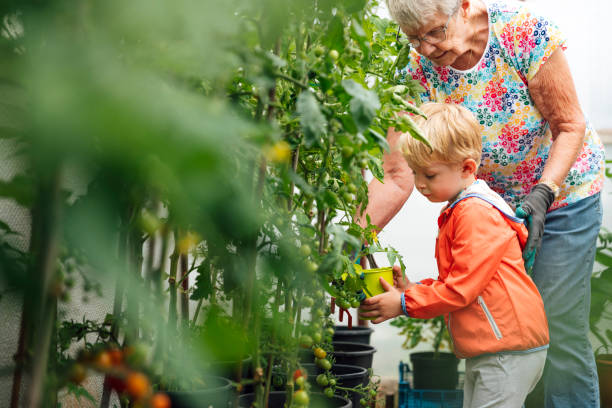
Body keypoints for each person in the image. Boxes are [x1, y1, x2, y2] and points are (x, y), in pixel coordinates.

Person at [360, 0, 604, 406]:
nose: (426, 48)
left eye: (435, 31)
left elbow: (569, 123)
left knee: (558, 326)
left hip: (563, 194)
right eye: (413, 38)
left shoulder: (522, 32)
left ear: (464, 5)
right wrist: (354, 236)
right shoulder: (416, 71)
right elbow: (398, 172)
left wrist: (544, 193)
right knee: (507, 327)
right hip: (492, 212)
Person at [359, 102, 550, 407]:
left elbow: (462, 288)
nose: (420, 184)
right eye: (416, 172)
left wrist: (405, 303)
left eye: (430, 175)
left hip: (506, 349)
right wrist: (413, 290)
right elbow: (460, 278)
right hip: (492, 345)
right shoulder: (462, 208)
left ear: (466, 168)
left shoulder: (474, 213)